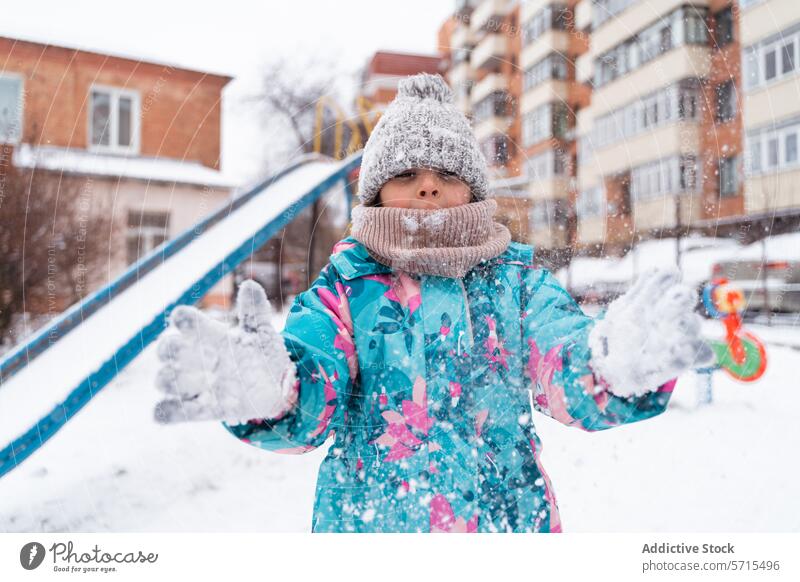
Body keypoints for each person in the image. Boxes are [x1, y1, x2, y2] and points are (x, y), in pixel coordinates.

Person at [153, 73, 713, 533]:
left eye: (447, 173)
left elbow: (561, 358)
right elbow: (312, 380)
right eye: (405, 174)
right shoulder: (346, 285)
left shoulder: (514, 281)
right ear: (374, 193)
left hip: (505, 526)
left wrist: (610, 366)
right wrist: (272, 393)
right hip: (372, 532)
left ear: (473, 190)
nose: (428, 187)